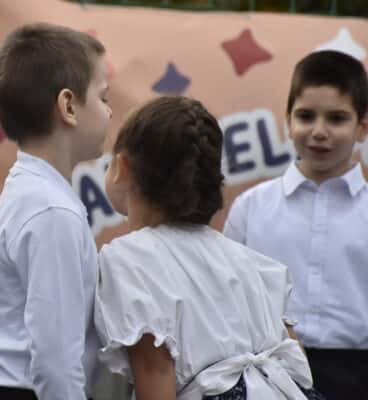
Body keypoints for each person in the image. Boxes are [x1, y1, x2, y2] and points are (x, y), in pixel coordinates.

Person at [95, 96, 325, 400]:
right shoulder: (254, 263)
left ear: (121, 167)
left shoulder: (130, 259)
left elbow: (154, 371)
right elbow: (296, 367)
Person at [0, 23, 112, 400]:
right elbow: (55, 361)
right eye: (103, 97)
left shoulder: (34, 192)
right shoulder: (51, 211)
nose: (110, 111)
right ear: (69, 106)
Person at [224, 50, 368, 399]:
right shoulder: (251, 208)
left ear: (362, 127)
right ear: (288, 121)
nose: (319, 131)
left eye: (336, 118)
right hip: (265, 373)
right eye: (306, 116)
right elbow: (226, 295)